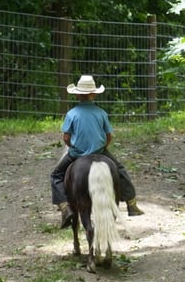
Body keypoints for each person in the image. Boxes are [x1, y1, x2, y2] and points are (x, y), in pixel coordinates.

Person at [50, 74, 144, 228]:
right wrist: (103, 147)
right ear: (93, 94)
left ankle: (65, 207)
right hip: (100, 152)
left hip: (76, 153)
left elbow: (66, 138)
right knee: (120, 170)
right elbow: (108, 136)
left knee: (56, 175)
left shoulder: (71, 114)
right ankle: (131, 203)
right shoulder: (101, 113)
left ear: (78, 95)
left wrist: (73, 146)